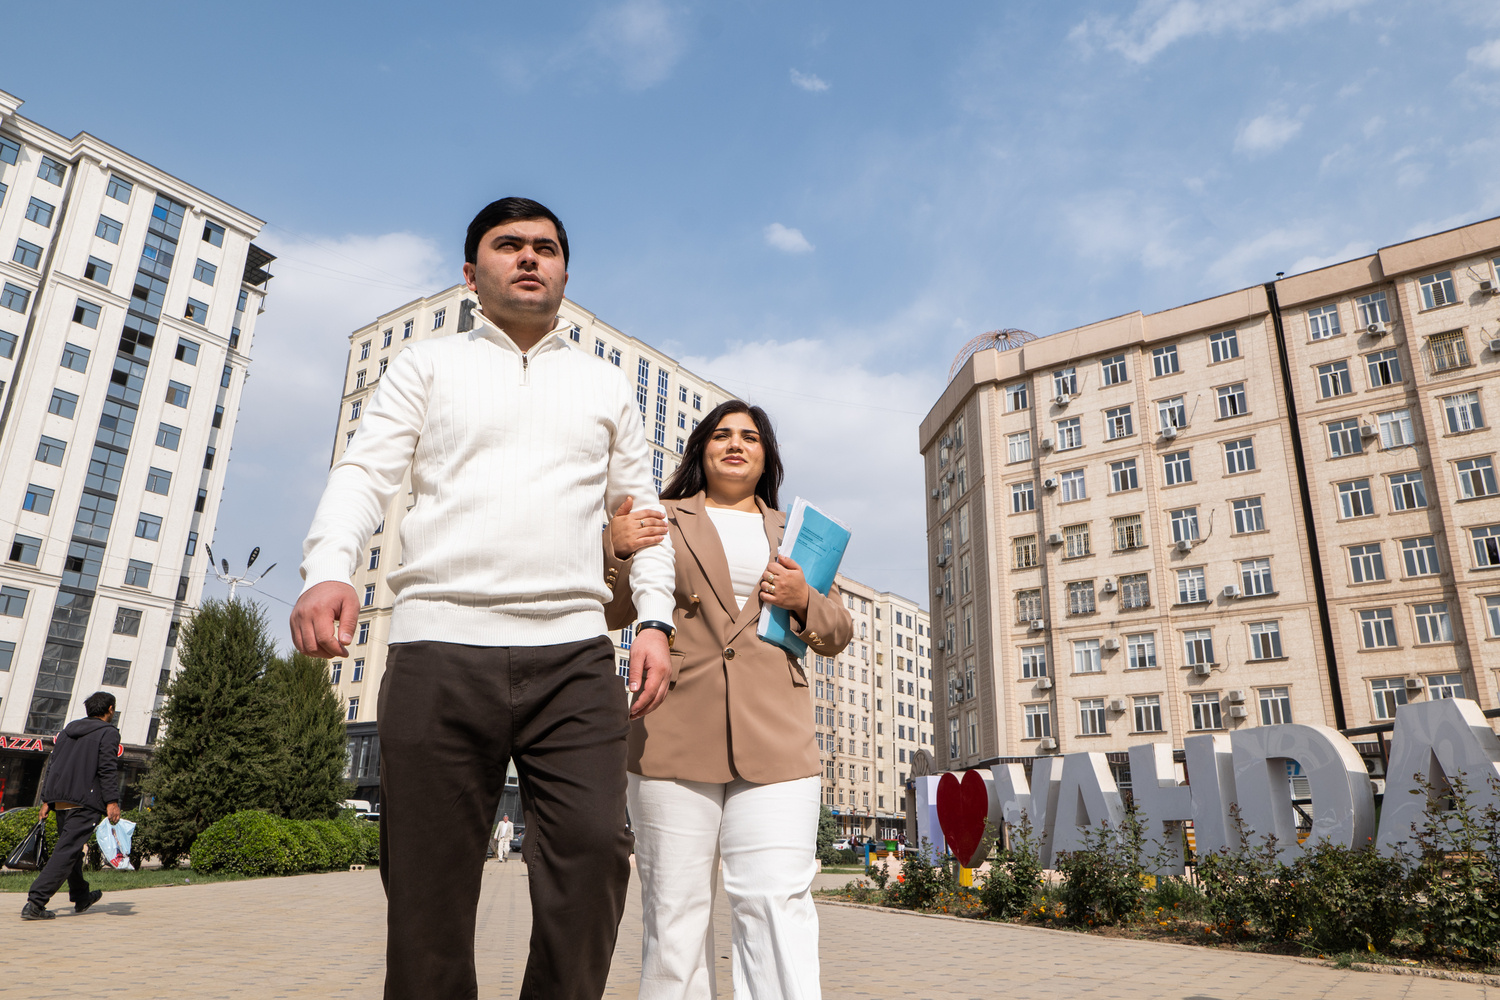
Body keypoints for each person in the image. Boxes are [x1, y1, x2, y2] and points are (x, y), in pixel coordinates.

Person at [291, 197, 676, 1000]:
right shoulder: (425, 366)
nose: (529, 257)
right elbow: (365, 473)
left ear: (565, 271)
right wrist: (329, 568)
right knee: (426, 890)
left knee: (596, 853)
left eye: (546, 247)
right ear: (472, 273)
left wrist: (654, 622)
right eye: (509, 245)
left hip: (574, 656)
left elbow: (643, 516)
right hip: (439, 648)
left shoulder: (605, 384)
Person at [604, 400, 853, 999]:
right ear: (701, 449)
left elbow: (837, 633)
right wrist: (615, 548)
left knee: (776, 902)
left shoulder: (795, 531)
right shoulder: (662, 516)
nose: (736, 444)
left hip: (776, 737)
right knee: (675, 914)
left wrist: (802, 598)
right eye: (722, 435)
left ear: (767, 457)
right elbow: (612, 611)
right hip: (673, 727)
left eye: (750, 437)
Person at [22, 691, 122, 920]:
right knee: (67, 851)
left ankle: (81, 895)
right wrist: (112, 801)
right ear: (110, 709)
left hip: (62, 801)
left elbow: (54, 765)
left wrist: (47, 800)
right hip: (85, 802)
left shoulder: (68, 731)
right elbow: (107, 768)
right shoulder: (108, 733)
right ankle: (35, 903)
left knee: (71, 849)